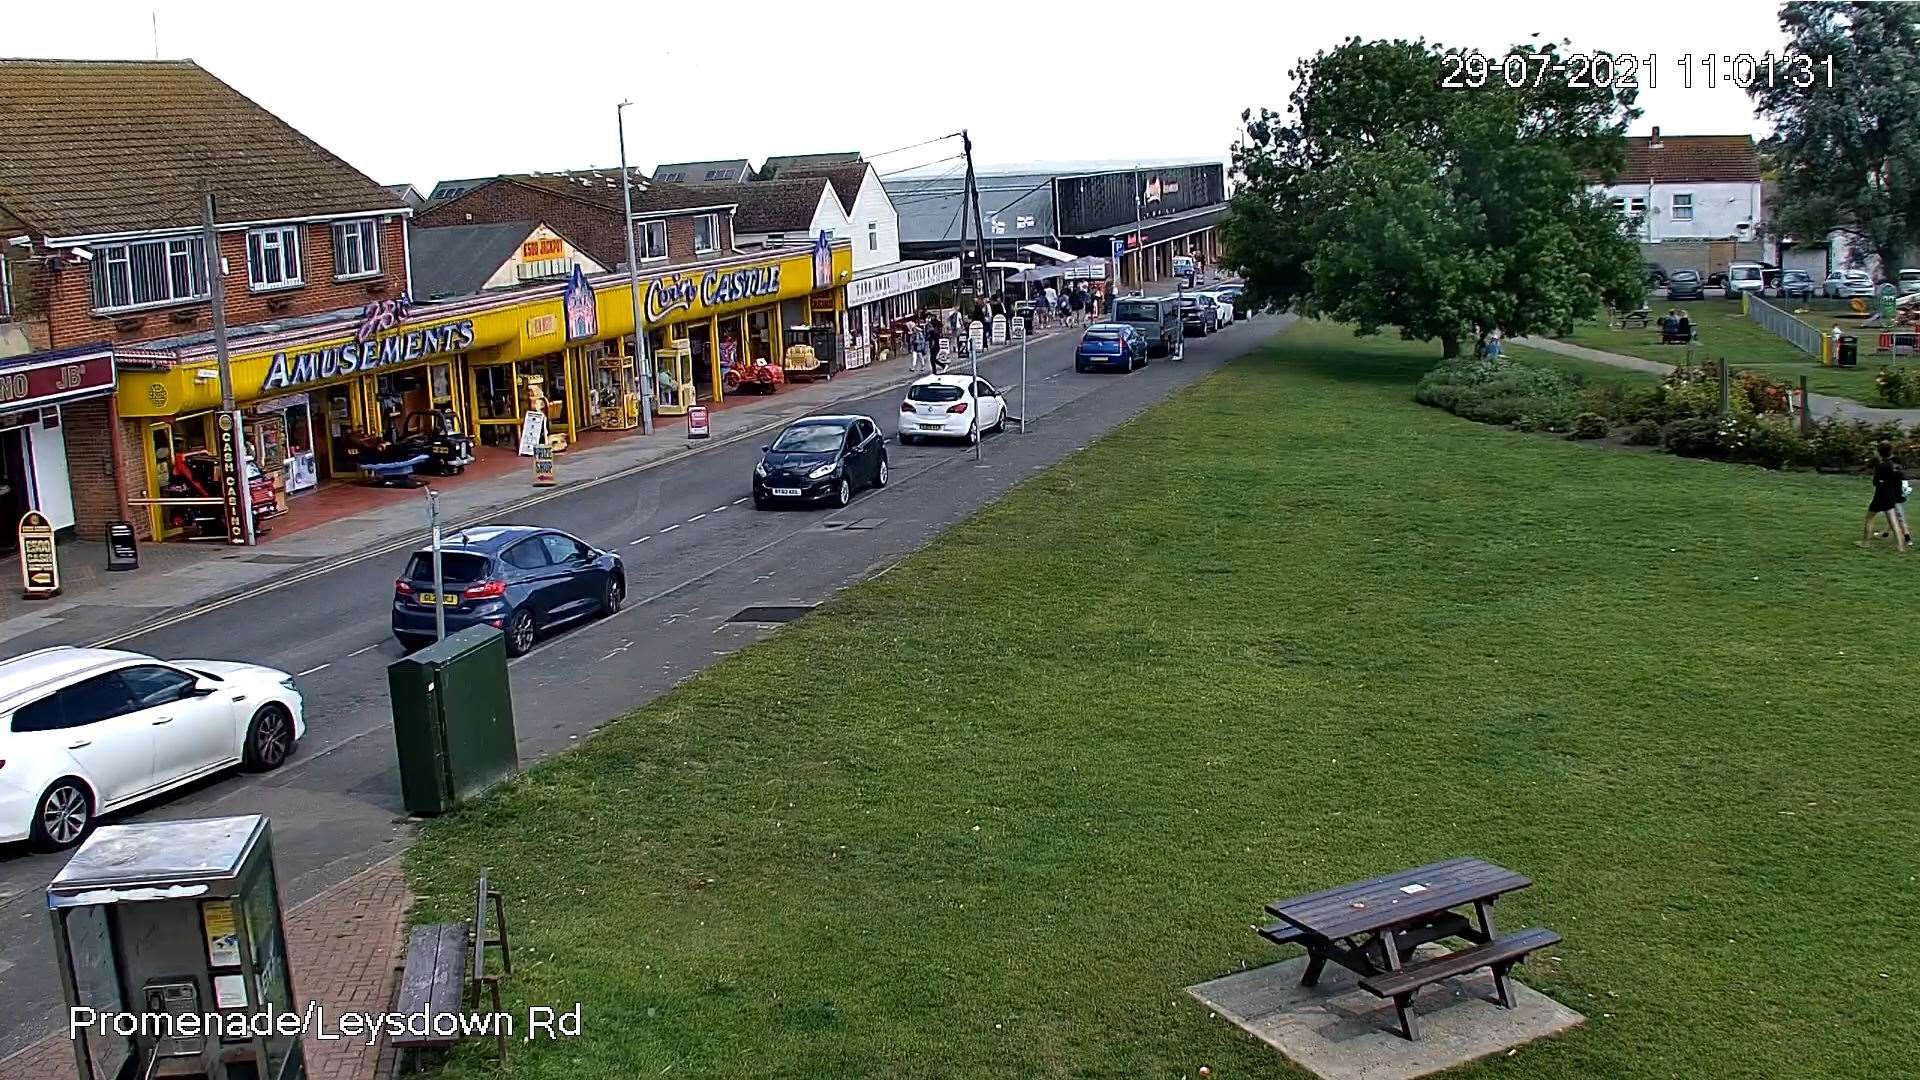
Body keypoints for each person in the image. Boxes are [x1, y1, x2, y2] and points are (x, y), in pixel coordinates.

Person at [1863, 441, 1910, 552]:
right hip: (1890, 496)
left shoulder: (1881, 465)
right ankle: (1901, 547)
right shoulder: (1895, 465)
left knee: (1869, 518)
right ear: (1890, 452)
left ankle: (1865, 543)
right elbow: (1901, 477)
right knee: (1894, 522)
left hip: (1880, 495)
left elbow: (1875, 482)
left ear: (1880, 453)